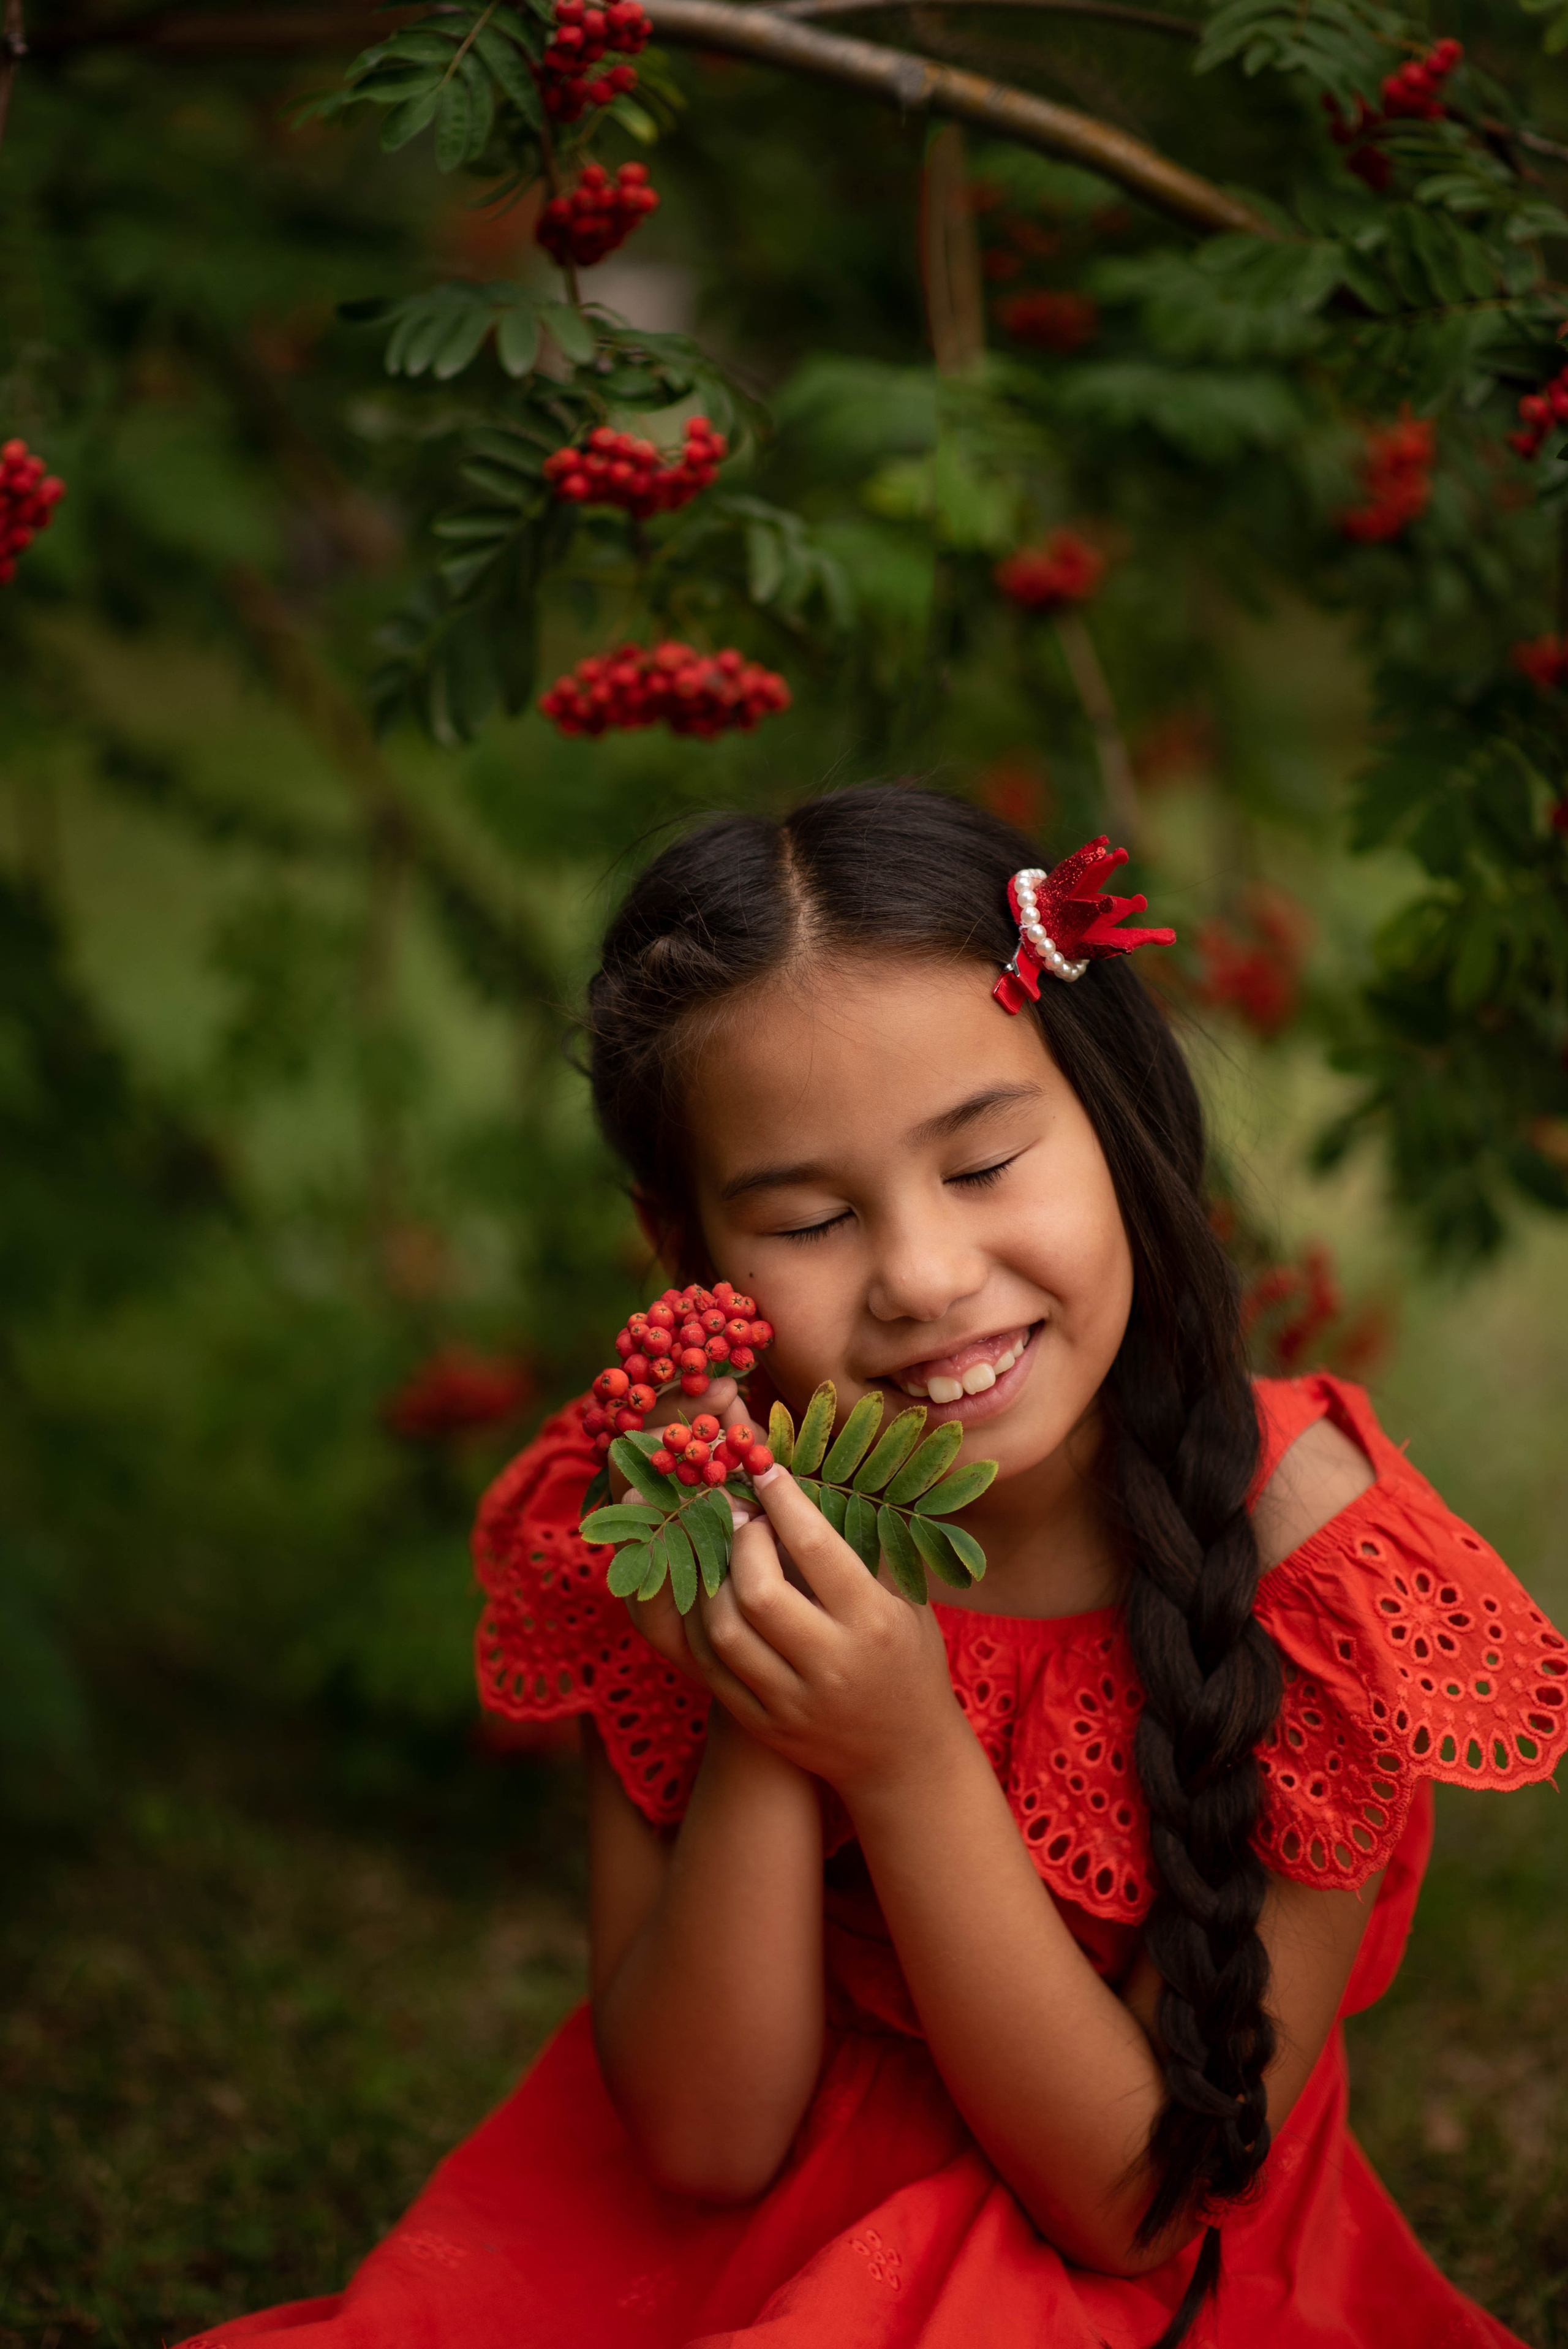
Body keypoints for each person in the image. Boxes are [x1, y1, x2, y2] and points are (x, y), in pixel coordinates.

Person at [181, 787, 1566, 2349]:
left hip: (1101, 2270)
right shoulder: (660, 1504)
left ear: (1115, 1121)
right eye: (816, 1216)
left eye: (979, 1168)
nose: (920, 1275)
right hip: (703, 2233)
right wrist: (770, 1681)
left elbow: (1132, 2205)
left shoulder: (1322, 1583)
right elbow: (704, 2142)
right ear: (683, 1251)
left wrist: (902, 1756)